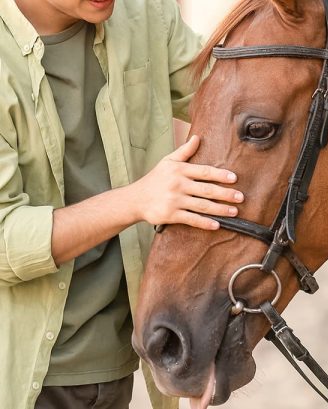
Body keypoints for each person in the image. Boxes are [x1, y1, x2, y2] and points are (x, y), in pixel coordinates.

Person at [0, 0, 239, 408]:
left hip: (116, 366)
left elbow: (239, 99)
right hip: (20, 375)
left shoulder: (142, 10)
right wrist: (137, 200)